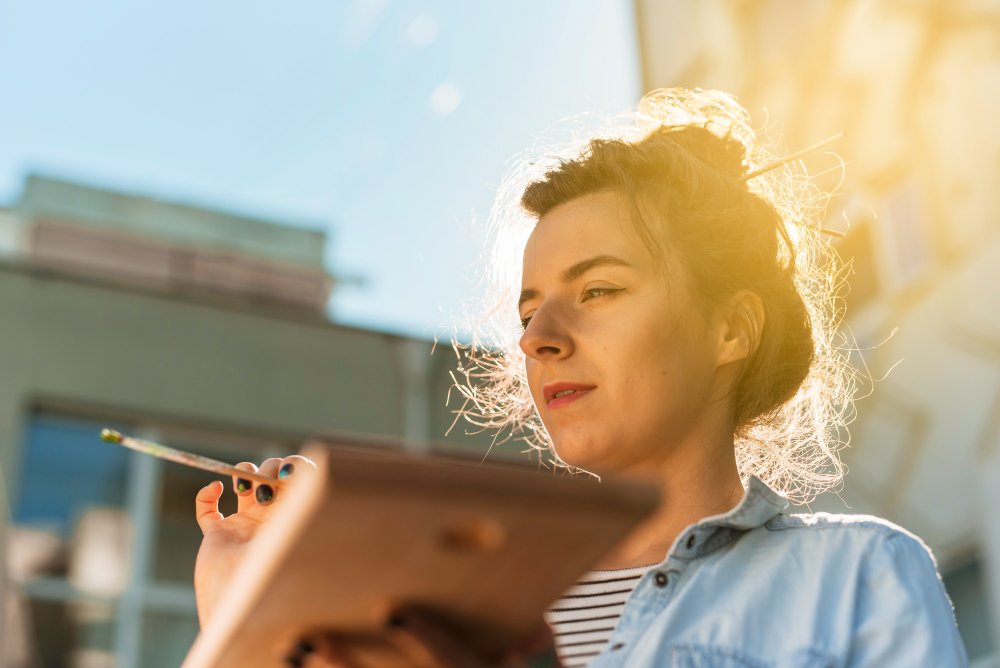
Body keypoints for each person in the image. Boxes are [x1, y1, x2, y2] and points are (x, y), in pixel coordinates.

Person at [194, 88, 968, 667]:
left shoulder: (857, 575)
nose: (538, 340)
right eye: (528, 312)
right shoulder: (448, 608)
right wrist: (244, 618)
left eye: (598, 291)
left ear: (732, 327)